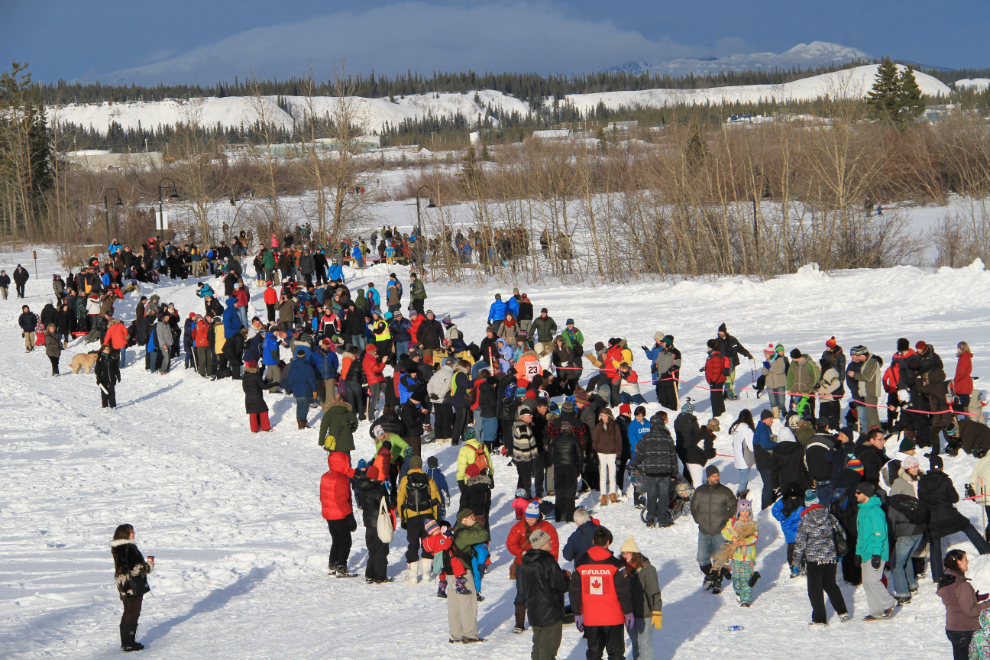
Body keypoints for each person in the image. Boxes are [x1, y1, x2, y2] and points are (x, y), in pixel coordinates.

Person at [920, 456, 990, 582]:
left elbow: (921, 499)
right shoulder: (945, 480)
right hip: (949, 515)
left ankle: (937, 577)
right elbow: (954, 498)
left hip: (932, 518)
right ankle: (985, 550)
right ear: (941, 466)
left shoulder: (922, 481)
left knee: (935, 545)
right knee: (968, 527)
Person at [569, 527, 633, 660]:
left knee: (594, 654)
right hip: (613, 618)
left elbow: (575, 591)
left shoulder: (581, 564)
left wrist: (577, 613)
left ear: (593, 541)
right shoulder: (616, 565)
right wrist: (628, 612)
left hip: (592, 618)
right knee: (616, 655)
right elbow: (624, 592)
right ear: (608, 542)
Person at [791, 489, 850, 625]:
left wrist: (796, 563)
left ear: (807, 505)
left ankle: (819, 619)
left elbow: (800, 544)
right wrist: (839, 553)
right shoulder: (829, 516)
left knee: (815, 589)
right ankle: (842, 612)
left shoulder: (805, 521)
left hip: (814, 559)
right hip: (831, 557)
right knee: (830, 585)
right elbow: (842, 534)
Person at [516, 528, 570, 660]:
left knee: (538, 646)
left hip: (534, 611)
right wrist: (566, 577)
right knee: (548, 649)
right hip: (550, 612)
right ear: (542, 543)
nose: (551, 542)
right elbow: (561, 585)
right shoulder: (548, 563)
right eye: (547, 540)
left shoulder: (526, 562)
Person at [508, 501, 560, 632]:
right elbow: (510, 544)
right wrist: (521, 553)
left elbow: (554, 546)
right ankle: (519, 624)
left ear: (538, 517)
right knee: (521, 593)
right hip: (522, 565)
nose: (529, 521)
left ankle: (540, 619)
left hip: (541, 565)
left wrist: (552, 564)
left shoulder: (547, 527)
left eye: (532, 518)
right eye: (527, 518)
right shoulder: (518, 527)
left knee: (541, 592)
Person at [854, 482, 897, 620]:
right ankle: (876, 612)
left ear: (865, 494)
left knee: (873, 580)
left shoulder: (875, 511)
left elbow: (879, 534)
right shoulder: (862, 510)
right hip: (865, 552)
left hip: (875, 552)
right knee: (867, 583)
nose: (855, 494)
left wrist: (877, 553)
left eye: (858, 492)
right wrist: (858, 552)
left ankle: (889, 603)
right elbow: (861, 535)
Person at [690, 465, 736, 594]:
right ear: (708, 477)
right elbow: (693, 506)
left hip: (719, 531)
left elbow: (734, 506)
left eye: (717, 476)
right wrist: (697, 518)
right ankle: (710, 575)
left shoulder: (725, 491)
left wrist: (725, 518)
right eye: (713, 476)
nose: (716, 478)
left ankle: (717, 581)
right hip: (704, 531)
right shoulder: (700, 491)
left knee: (719, 559)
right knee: (702, 558)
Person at [627, 412, 678, 527]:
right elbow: (673, 457)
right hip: (665, 472)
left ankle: (650, 518)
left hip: (650, 472)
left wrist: (633, 464)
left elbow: (639, 455)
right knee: (664, 496)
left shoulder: (646, 437)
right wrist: (674, 473)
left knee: (651, 495)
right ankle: (663, 520)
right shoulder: (667, 438)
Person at [937, 549, 990, 660]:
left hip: (953, 629)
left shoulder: (948, 581)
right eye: (965, 559)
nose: (967, 562)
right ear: (958, 562)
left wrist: (974, 598)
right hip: (965, 630)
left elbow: (954, 600)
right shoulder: (962, 585)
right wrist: (988, 603)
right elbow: (971, 611)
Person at [398, 456, 442, 585]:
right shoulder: (428, 479)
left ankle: (412, 576)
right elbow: (436, 500)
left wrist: (403, 518)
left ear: (411, 465)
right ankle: (427, 575)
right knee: (427, 544)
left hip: (412, 516)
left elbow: (401, 501)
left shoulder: (405, 480)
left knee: (413, 545)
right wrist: (435, 518)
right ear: (421, 465)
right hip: (427, 516)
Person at [887, 455, 926, 604]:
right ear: (907, 468)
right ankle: (911, 585)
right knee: (906, 558)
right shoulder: (900, 483)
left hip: (912, 527)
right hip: (911, 525)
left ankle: (903, 593)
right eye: (913, 466)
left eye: (917, 465)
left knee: (897, 562)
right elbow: (894, 503)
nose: (916, 468)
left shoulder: (918, 481)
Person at [448, 510, 489, 643]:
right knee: (468, 603)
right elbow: (484, 535)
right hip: (462, 572)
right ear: (464, 519)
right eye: (471, 517)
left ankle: (456, 634)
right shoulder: (464, 533)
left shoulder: (454, 532)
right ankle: (470, 634)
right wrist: (475, 524)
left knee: (454, 605)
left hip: (451, 572)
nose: (474, 518)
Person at [110, 524, 153, 652]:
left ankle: (125, 642)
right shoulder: (130, 547)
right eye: (131, 532)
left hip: (122, 583)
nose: (134, 533)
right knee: (133, 612)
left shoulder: (117, 548)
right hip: (132, 585)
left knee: (127, 611)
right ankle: (129, 643)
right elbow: (136, 568)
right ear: (125, 534)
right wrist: (149, 565)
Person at [621, 536, 662, 660]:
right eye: (623, 553)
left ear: (635, 553)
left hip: (646, 613)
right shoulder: (622, 571)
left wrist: (657, 611)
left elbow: (654, 592)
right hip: (629, 614)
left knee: (645, 644)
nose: (625, 555)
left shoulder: (648, 570)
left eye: (628, 552)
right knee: (635, 644)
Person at [353, 465, 393, 584]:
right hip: (379, 523)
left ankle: (369, 574)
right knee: (381, 549)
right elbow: (386, 504)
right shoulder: (378, 489)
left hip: (368, 523)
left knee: (372, 549)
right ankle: (380, 576)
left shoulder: (362, 488)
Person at [321, 451, 358, 576]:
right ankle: (342, 565)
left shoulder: (326, 476)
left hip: (329, 514)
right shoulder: (341, 479)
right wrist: (350, 517)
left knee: (336, 539)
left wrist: (353, 474)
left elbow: (323, 497)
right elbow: (342, 501)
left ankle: (333, 562)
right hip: (340, 515)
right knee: (345, 541)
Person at [721, 499, 759, 607]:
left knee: (746, 578)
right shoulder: (733, 522)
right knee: (736, 577)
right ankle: (738, 591)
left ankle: (745, 599)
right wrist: (733, 539)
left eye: (747, 511)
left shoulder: (752, 524)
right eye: (743, 511)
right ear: (739, 511)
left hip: (747, 556)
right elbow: (724, 531)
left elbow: (754, 537)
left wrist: (744, 541)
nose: (745, 513)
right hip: (736, 556)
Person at [593, 408, 622, 506]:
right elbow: (595, 440)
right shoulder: (598, 426)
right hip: (601, 452)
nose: (603, 418)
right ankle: (603, 495)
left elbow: (619, 441)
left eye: (605, 416)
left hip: (612, 452)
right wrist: (595, 453)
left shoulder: (615, 426)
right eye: (602, 416)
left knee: (612, 474)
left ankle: (612, 493)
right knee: (602, 474)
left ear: (609, 416)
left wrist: (618, 455)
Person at [729, 409, 756, 498]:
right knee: (743, 480)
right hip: (745, 458)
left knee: (742, 477)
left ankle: (742, 492)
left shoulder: (735, 427)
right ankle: (740, 496)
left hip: (738, 458)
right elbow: (751, 446)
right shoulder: (747, 430)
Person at [242, 365, 273, 432]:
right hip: (257, 397)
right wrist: (272, 384)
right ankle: (265, 427)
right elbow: (263, 386)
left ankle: (254, 429)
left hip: (248, 397)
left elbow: (244, 388)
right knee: (263, 411)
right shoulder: (256, 375)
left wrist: (249, 393)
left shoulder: (245, 376)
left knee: (252, 413)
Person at [704, 339, 727, 416]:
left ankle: (717, 415)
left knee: (716, 399)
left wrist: (713, 381)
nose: (708, 348)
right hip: (717, 380)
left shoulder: (715, 356)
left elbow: (716, 370)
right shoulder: (713, 355)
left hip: (717, 381)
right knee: (718, 398)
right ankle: (720, 414)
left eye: (709, 346)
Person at [95, 344, 119, 409]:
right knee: (104, 391)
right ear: (103, 350)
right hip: (103, 378)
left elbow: (116, 368)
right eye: (107, 349)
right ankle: (105, 405)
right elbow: (97, 369)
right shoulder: (100, 358)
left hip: (111, 378)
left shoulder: (112, 357)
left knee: (112, 391)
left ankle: (113, 405)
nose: (108, 350)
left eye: (109, 349)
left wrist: (118, 376)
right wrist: (99, 378)